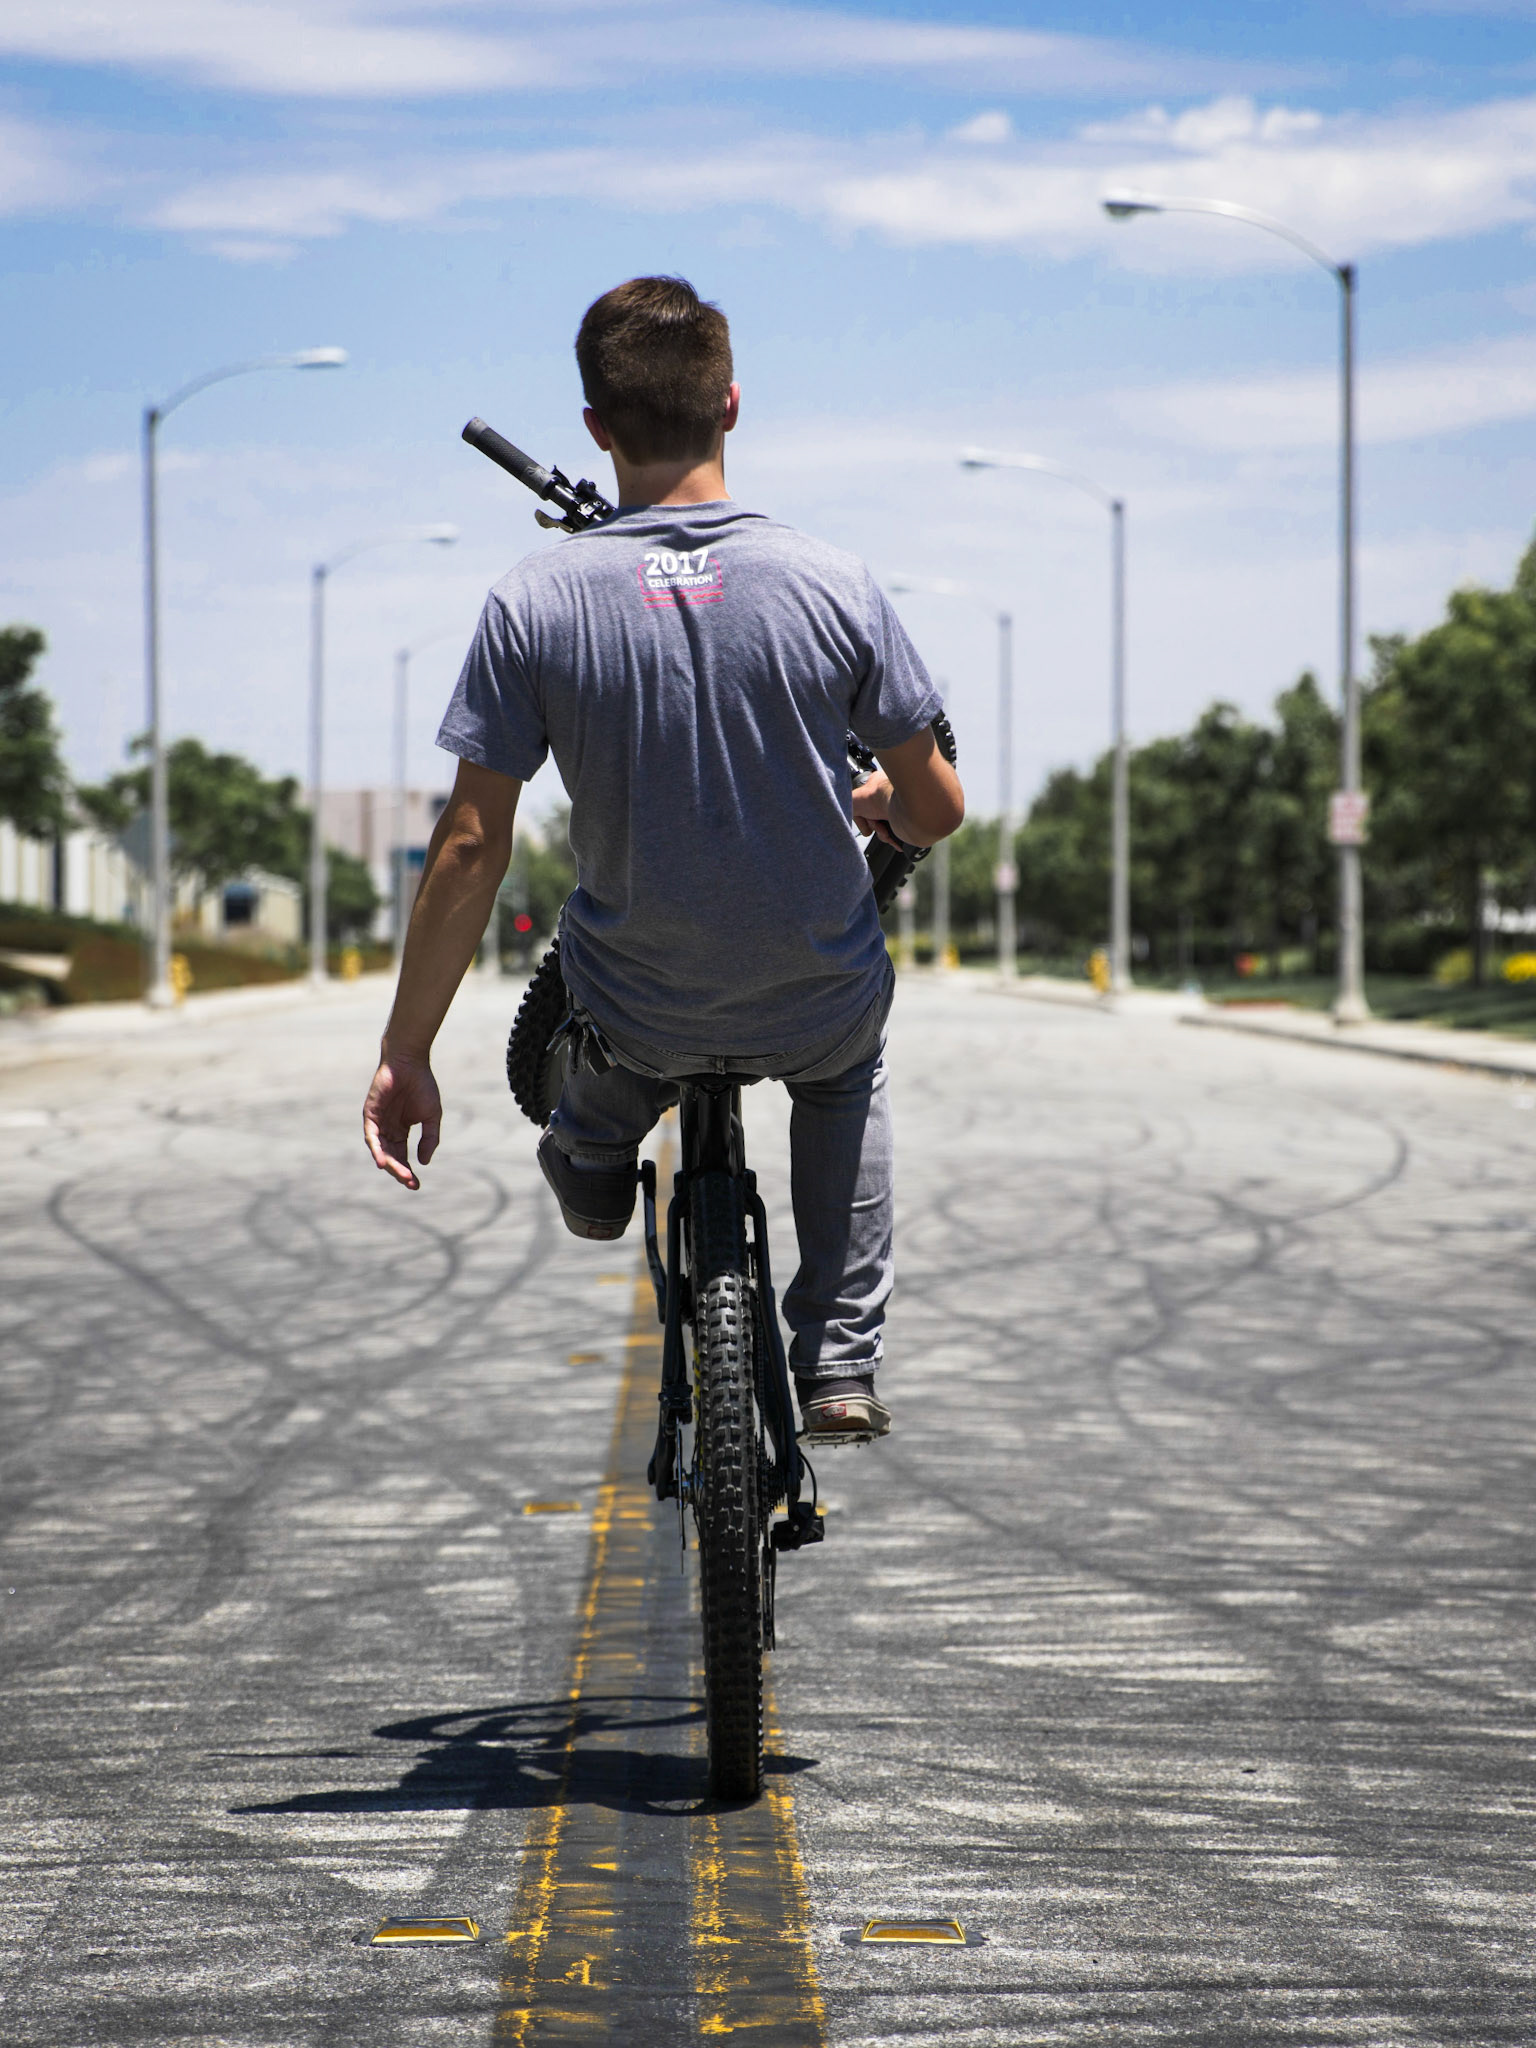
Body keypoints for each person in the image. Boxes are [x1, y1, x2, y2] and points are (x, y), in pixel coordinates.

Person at [363, 275, 964, 1442]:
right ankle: (838, 1361)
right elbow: (936, 805)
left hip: (639, 1003)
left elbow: (472, 845)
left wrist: (406, 1048)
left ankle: (591, 1142)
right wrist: (888, 802)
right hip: (814, 997)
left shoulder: (533, 599)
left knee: (615, 1022)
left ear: (595, 425)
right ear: (731, 405)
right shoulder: (833, 580)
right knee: (852, 1068)